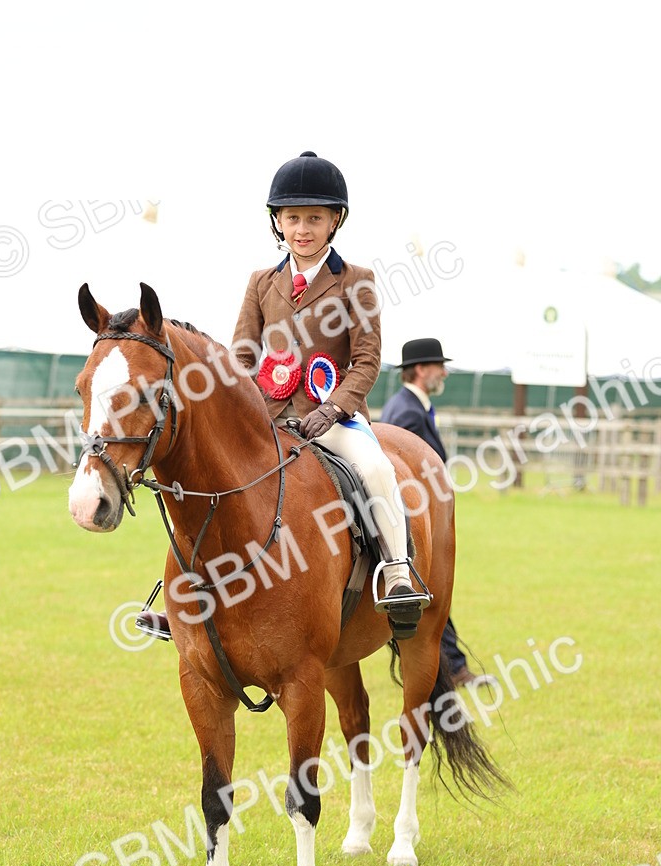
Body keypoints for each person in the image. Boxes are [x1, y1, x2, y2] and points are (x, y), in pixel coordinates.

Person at [137, 151, 429, 642]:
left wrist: (333, 408)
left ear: (335, 220)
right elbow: (242, 360)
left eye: (314, 218)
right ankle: (182, 594)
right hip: (266, 418)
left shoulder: (357, 281)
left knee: (377, 468)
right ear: (277, 221)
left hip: (332, 417)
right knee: (207, 480)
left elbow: (366, 360)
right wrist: (241, 410)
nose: (302, 228)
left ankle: (397, 573)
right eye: (292, 218)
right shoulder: (261, 282)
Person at [380, 338, 496, 688]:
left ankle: (454, 664)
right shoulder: (408, 414)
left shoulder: (411, 407)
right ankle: (454, 667)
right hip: (414, 521)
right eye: (438, 365)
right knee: (431, 601)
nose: (443, 371)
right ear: (420, 369)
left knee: (434, 602)